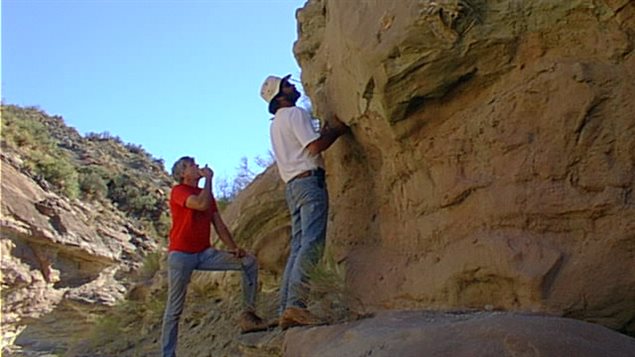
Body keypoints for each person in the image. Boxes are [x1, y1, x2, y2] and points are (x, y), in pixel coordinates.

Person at [260, 74, 349, 329]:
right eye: (287, 85)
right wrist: (337, 130)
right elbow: (314, 147)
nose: (293, 87)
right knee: (311, 244)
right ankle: (296, 306)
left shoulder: (275, 124)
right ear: (280, 96)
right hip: (309, 182)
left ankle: (285, 308)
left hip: (293, 187)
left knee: (299, 247)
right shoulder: (294, 114)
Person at [161, 156, 268, 357]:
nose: (196, 166)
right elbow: (200, 205)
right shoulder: (179, 191)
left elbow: (219, 224)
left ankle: (249, 315)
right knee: (174, 308)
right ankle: (167, 354)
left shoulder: (207, 195)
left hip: (204, 253)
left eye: (194, 164)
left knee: (248, 262)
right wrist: (210, 179)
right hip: (181, 255)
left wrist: (234, 248)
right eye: (190, 166)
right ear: (183, 174)